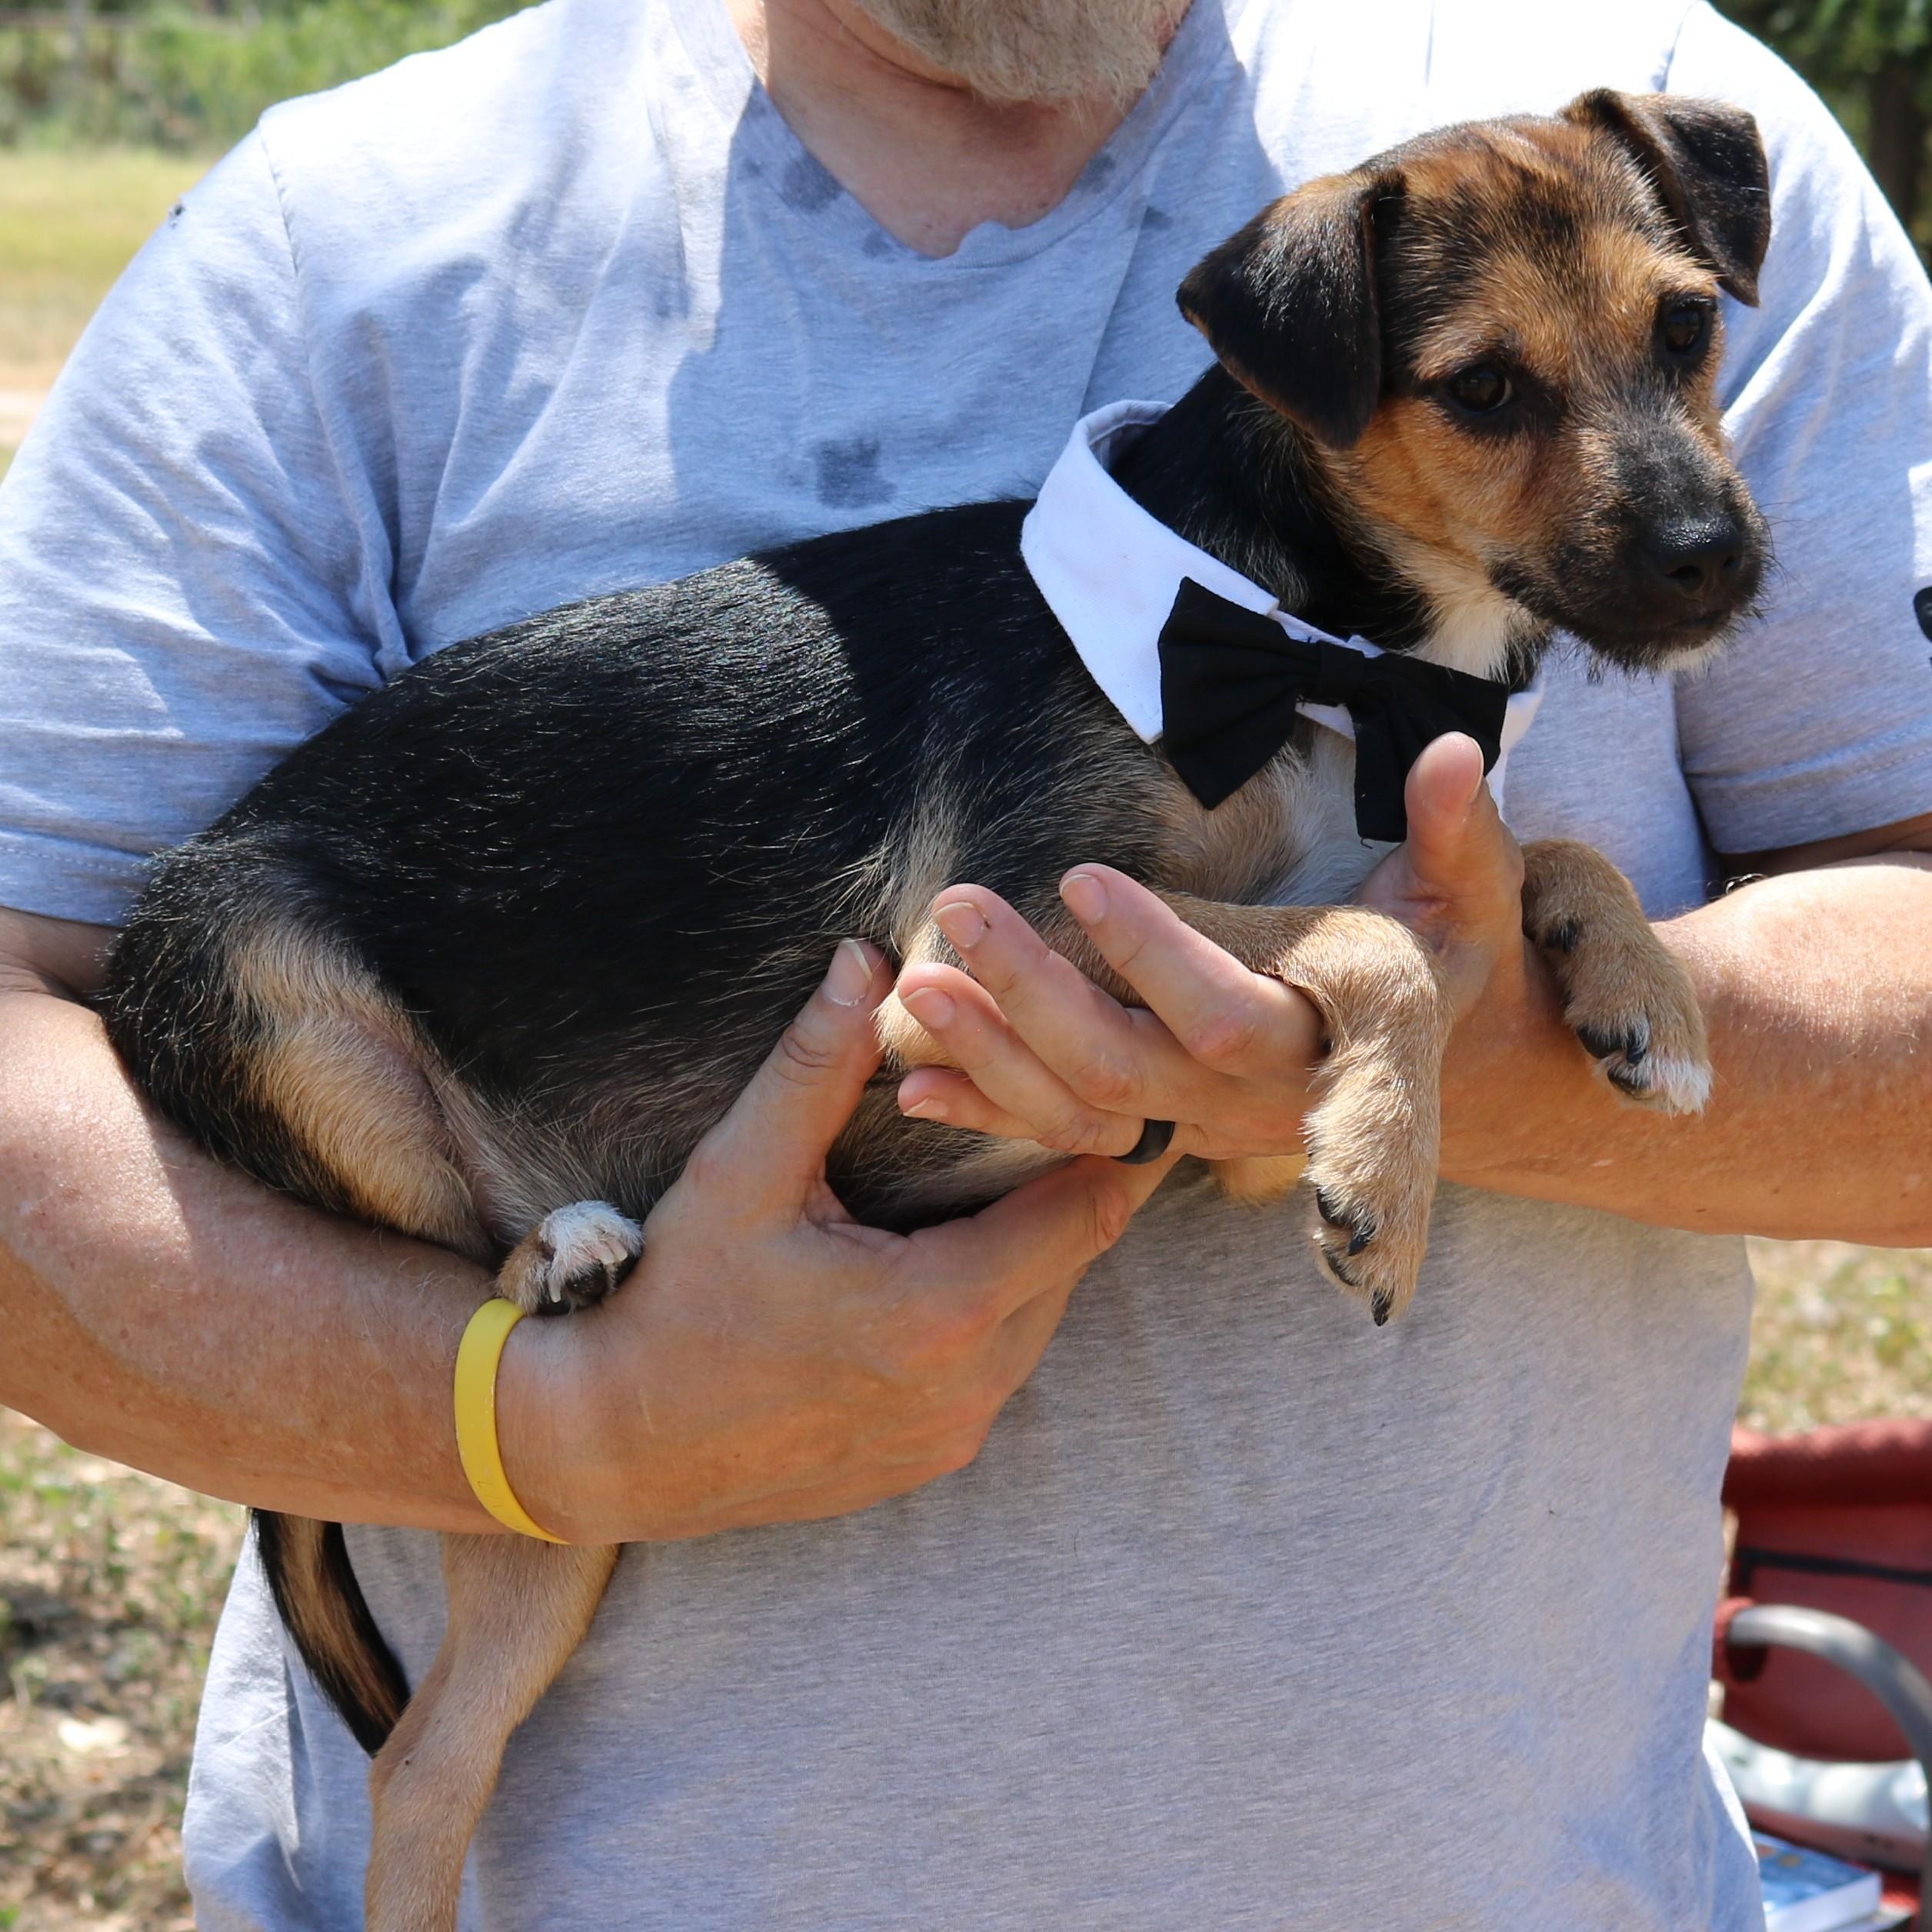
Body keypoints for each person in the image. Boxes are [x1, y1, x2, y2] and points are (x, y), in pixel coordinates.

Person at [1, 0, 1929, 1923]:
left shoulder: (1637, 103)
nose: (1659, 465)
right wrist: (542, 1415)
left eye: (1679, 339)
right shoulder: (333, 249)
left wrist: (1475, 1043)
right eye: (1490, 397)